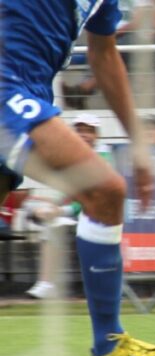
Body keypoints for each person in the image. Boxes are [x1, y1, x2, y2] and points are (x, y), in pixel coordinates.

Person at [0, 0, 155, 356]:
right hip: (7, 86)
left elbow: (104, 53)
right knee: (104, 190)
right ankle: (108, 343)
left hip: (30, 90)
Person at [23, 113, 111, 300]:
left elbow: (92, 198)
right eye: (80, 130)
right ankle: (47, 283)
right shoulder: (73, 158)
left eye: (89, 131)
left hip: (99, 217)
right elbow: (70, 193)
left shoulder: (102, 159)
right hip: (79, 214)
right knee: (42, 214)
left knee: (53, 224)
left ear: (97, 135)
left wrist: (59, 210)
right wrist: (53, 205)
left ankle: (47, 283)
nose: (84, 135)